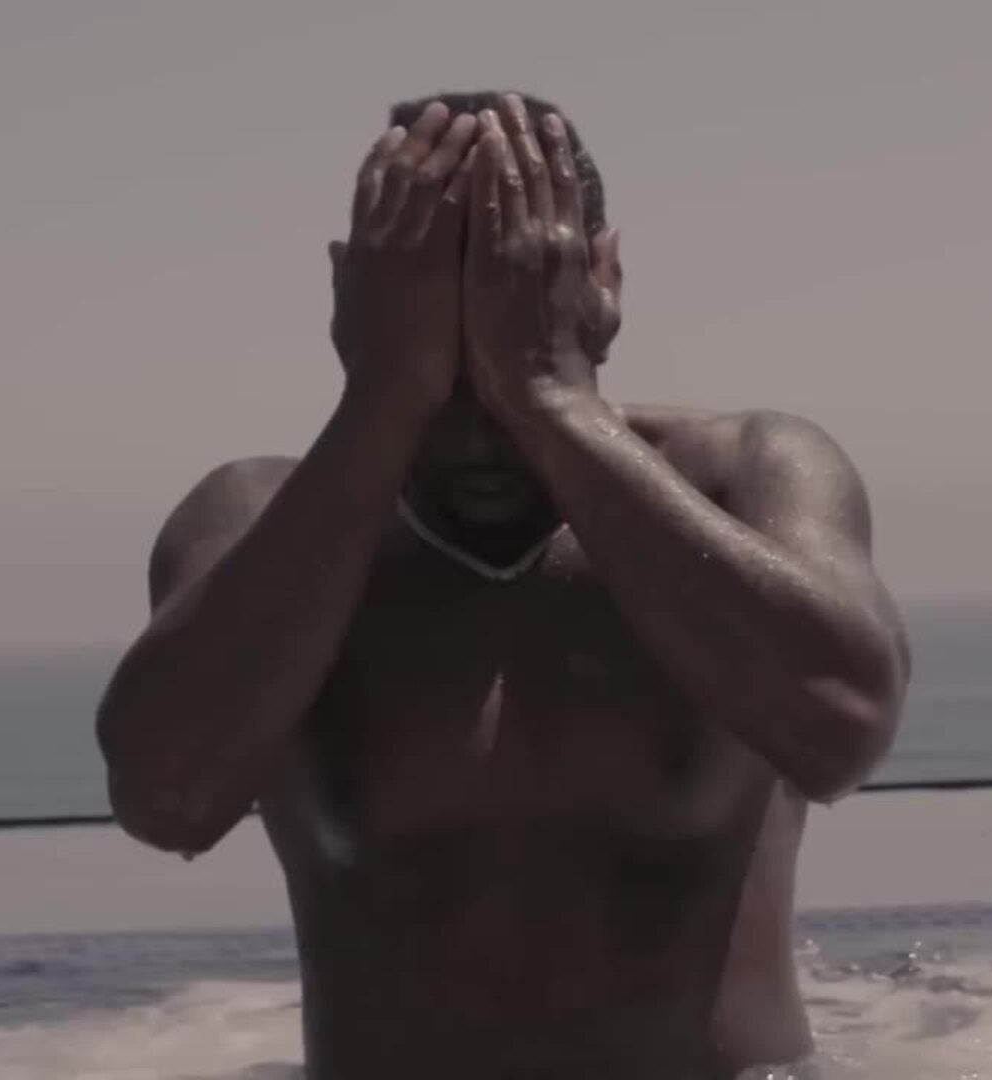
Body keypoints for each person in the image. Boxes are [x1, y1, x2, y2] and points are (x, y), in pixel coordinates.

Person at [97, 91, 911, 1079]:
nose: (483, 426)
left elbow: (841, 730)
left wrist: (552, 400)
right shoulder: (257, 522)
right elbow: (166, 798)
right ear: (352, 299)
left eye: (510, 319)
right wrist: (383, 399)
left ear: (602, 280)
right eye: (445, 349)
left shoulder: (748, 477)